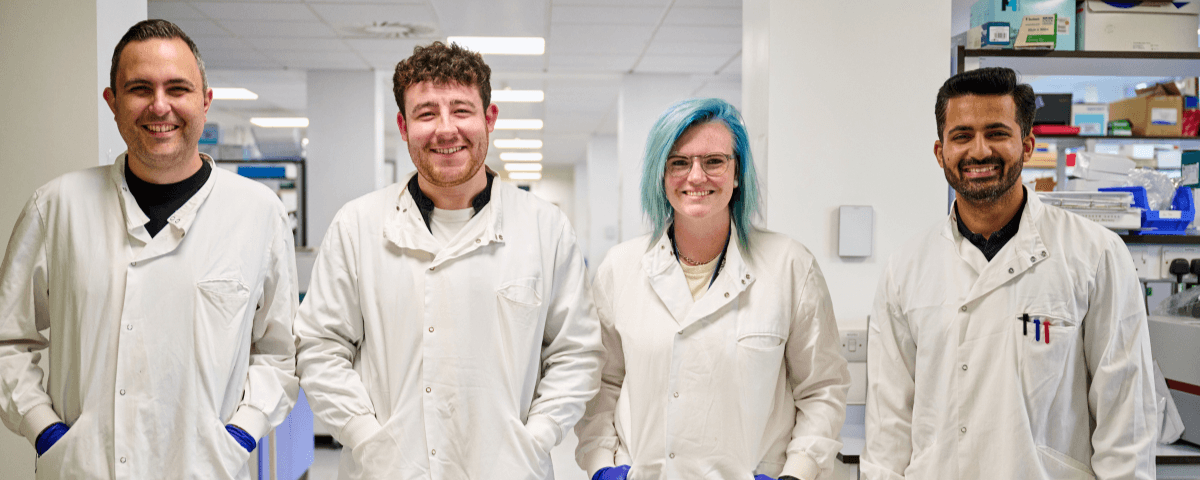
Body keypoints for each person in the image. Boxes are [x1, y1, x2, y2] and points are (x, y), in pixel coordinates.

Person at [0, 19, 299, 479]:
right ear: (112, 102)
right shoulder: (56, 207)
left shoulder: (258, 213)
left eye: (177, 88)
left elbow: (279, 352)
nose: (159, 106)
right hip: (85, 469)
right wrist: (46, 432)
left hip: (207, 469)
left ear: (205, 101)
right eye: (140, 88)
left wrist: (241, 433)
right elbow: (8, 340)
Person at [293, 41, 602, 479]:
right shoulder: (357, 225)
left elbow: (577, 354)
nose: (445, 129)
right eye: (425, 113)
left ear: (488, 119)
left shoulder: (545, 227)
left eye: (461, 110)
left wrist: (535, 437)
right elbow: (320, 347)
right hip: (389, 470)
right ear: (403, 126)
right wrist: (367, 437)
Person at [861, 67, 1156, 479]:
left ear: (1027, 144)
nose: (979, 151)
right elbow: (888, 423)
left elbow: (1127, 418)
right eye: (961, 136)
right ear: (940, 152)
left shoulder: (1095, 254)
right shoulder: (906, 268)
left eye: (996, 133)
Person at [574, 98, 851, 480]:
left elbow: (822, 389)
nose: (696, 177)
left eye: (714, 161)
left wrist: (795, 474)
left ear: (737, 173)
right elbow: (600, 384)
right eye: (679, 162)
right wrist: (602, 466)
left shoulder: (789, 266)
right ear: (661, 175)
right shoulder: (620, 269)